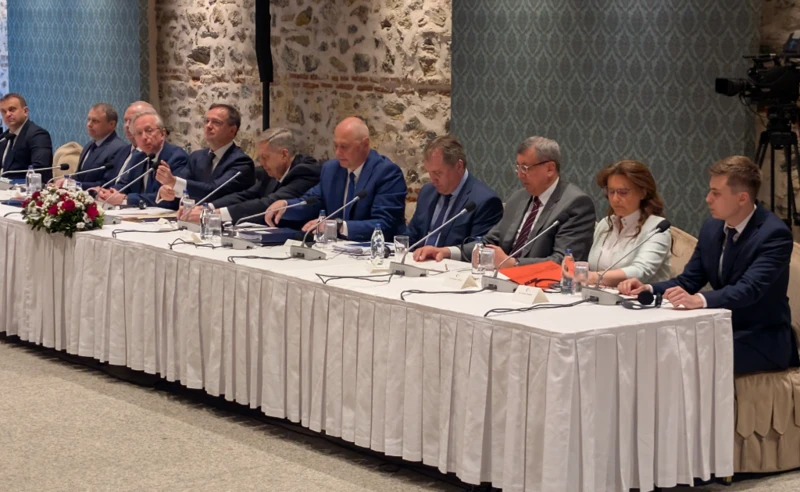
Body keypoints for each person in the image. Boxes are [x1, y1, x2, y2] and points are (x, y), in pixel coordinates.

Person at [619, 156, 800, 375]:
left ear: (742, 198)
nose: (707, 199)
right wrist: (647, 288)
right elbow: (689, 280)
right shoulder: (712, 227)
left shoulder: (774, 234)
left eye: (716, 193)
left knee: (686, 360)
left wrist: (699, 300)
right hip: (720, 328)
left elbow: (749, 289)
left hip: (761, 338)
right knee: (657, 348)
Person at [414, 136, 595, 267]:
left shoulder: (576, 204)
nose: (520, 175)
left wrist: (513, 264)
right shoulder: (518, 198)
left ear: (550, 169)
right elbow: (488, 242)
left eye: (526, 168)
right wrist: (446, 251)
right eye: (518, 167)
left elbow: (563, 261)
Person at [264, 117, 407, 241]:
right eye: (335, 146)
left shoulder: (387, 173)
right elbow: (312, 201)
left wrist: (339, 226)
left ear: (365, 144)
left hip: (375, 251)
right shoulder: (332, 169)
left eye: (344, 147)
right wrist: (286, 206)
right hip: (337, 250)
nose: (338, 152)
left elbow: (386, 224)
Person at [184, 127, 320, 225]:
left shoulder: (305, 171)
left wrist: (217, 215)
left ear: (284, 155)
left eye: (265, 157)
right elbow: (248, 195)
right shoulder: (273, 170)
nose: (262, 163)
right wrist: (209, 207)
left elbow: (269, 203)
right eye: (260, 158)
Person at [405, 134, 503, 249]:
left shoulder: (485, 201)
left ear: (459, 166)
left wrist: (443, 252)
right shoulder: (427, 192)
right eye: (429, 172)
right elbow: (412, 236)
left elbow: (479, 249)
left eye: (438, 173)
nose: (433, 179)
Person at [585, 160, 671, 286]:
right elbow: (592, 266)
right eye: (611, 191)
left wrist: (595, 277)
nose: (615, 199)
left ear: (643, 192)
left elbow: (641, 270)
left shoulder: (657, 228)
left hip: (640, 297)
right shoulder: (605, 224)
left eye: (623, 192)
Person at [155, 104, 255, 211]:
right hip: (191, 217)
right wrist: (166, 190)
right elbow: (181, 187)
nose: (208, 126)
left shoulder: (241, 162)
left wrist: (174, 182)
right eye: (207, 121)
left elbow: (214, 191)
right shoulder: (196, 157)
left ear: (232, 130)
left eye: (216, 122)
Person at [97, 110, 188, 207]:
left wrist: (126, 199)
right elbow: (125, 184)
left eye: (149, 131)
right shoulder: (138, 157)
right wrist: (109, 193)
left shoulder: (177, 157)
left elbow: (169, 198)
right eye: (139, 133)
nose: (144, 137)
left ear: (162, 134)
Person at [61, 103, 129, 189]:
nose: (89, 124)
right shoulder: (90, 145)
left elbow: (107, 183)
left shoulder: (119, 148)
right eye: (89, 119)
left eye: (95, 121)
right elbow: (79, 175)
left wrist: (75, 184)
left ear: (112, 124)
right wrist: (67, 181)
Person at [0, 93, 54, 182]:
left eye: (12, 109)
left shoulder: (38, 135)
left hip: (27, 188)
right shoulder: (3, 138)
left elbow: (40, 171)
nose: (7, 114)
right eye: (3, 111)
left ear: (25, 111)